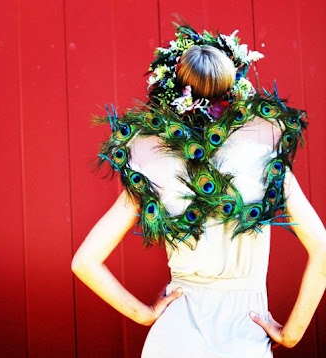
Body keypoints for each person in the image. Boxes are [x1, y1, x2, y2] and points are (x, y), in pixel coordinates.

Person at [71, 23, 326, 357]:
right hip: (243, 336)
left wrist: (144, 314)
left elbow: (84, 262)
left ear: (174, 91)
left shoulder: (153, 162)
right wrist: (292, 333)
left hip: (174, 337)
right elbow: (323, 249)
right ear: (234, 85)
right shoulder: (267, 158)